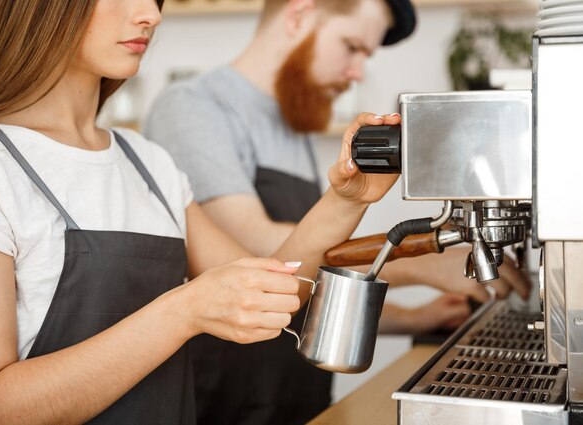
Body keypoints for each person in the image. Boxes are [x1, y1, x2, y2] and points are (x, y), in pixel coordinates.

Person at [0, 1, 409, 424]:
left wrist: (347, 198)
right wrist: (182, 312)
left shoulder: (147, 162)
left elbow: (280, 289)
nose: (151, 15)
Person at [145, 0, 531, 424]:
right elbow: (265, 255)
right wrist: (427, 261)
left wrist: (416, 318)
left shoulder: (291, 123)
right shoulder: (193, 107)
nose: (358, 73)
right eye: (352, 47)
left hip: (297, 398)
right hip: (228, 399)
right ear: (298, 16)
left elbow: (310, 289)